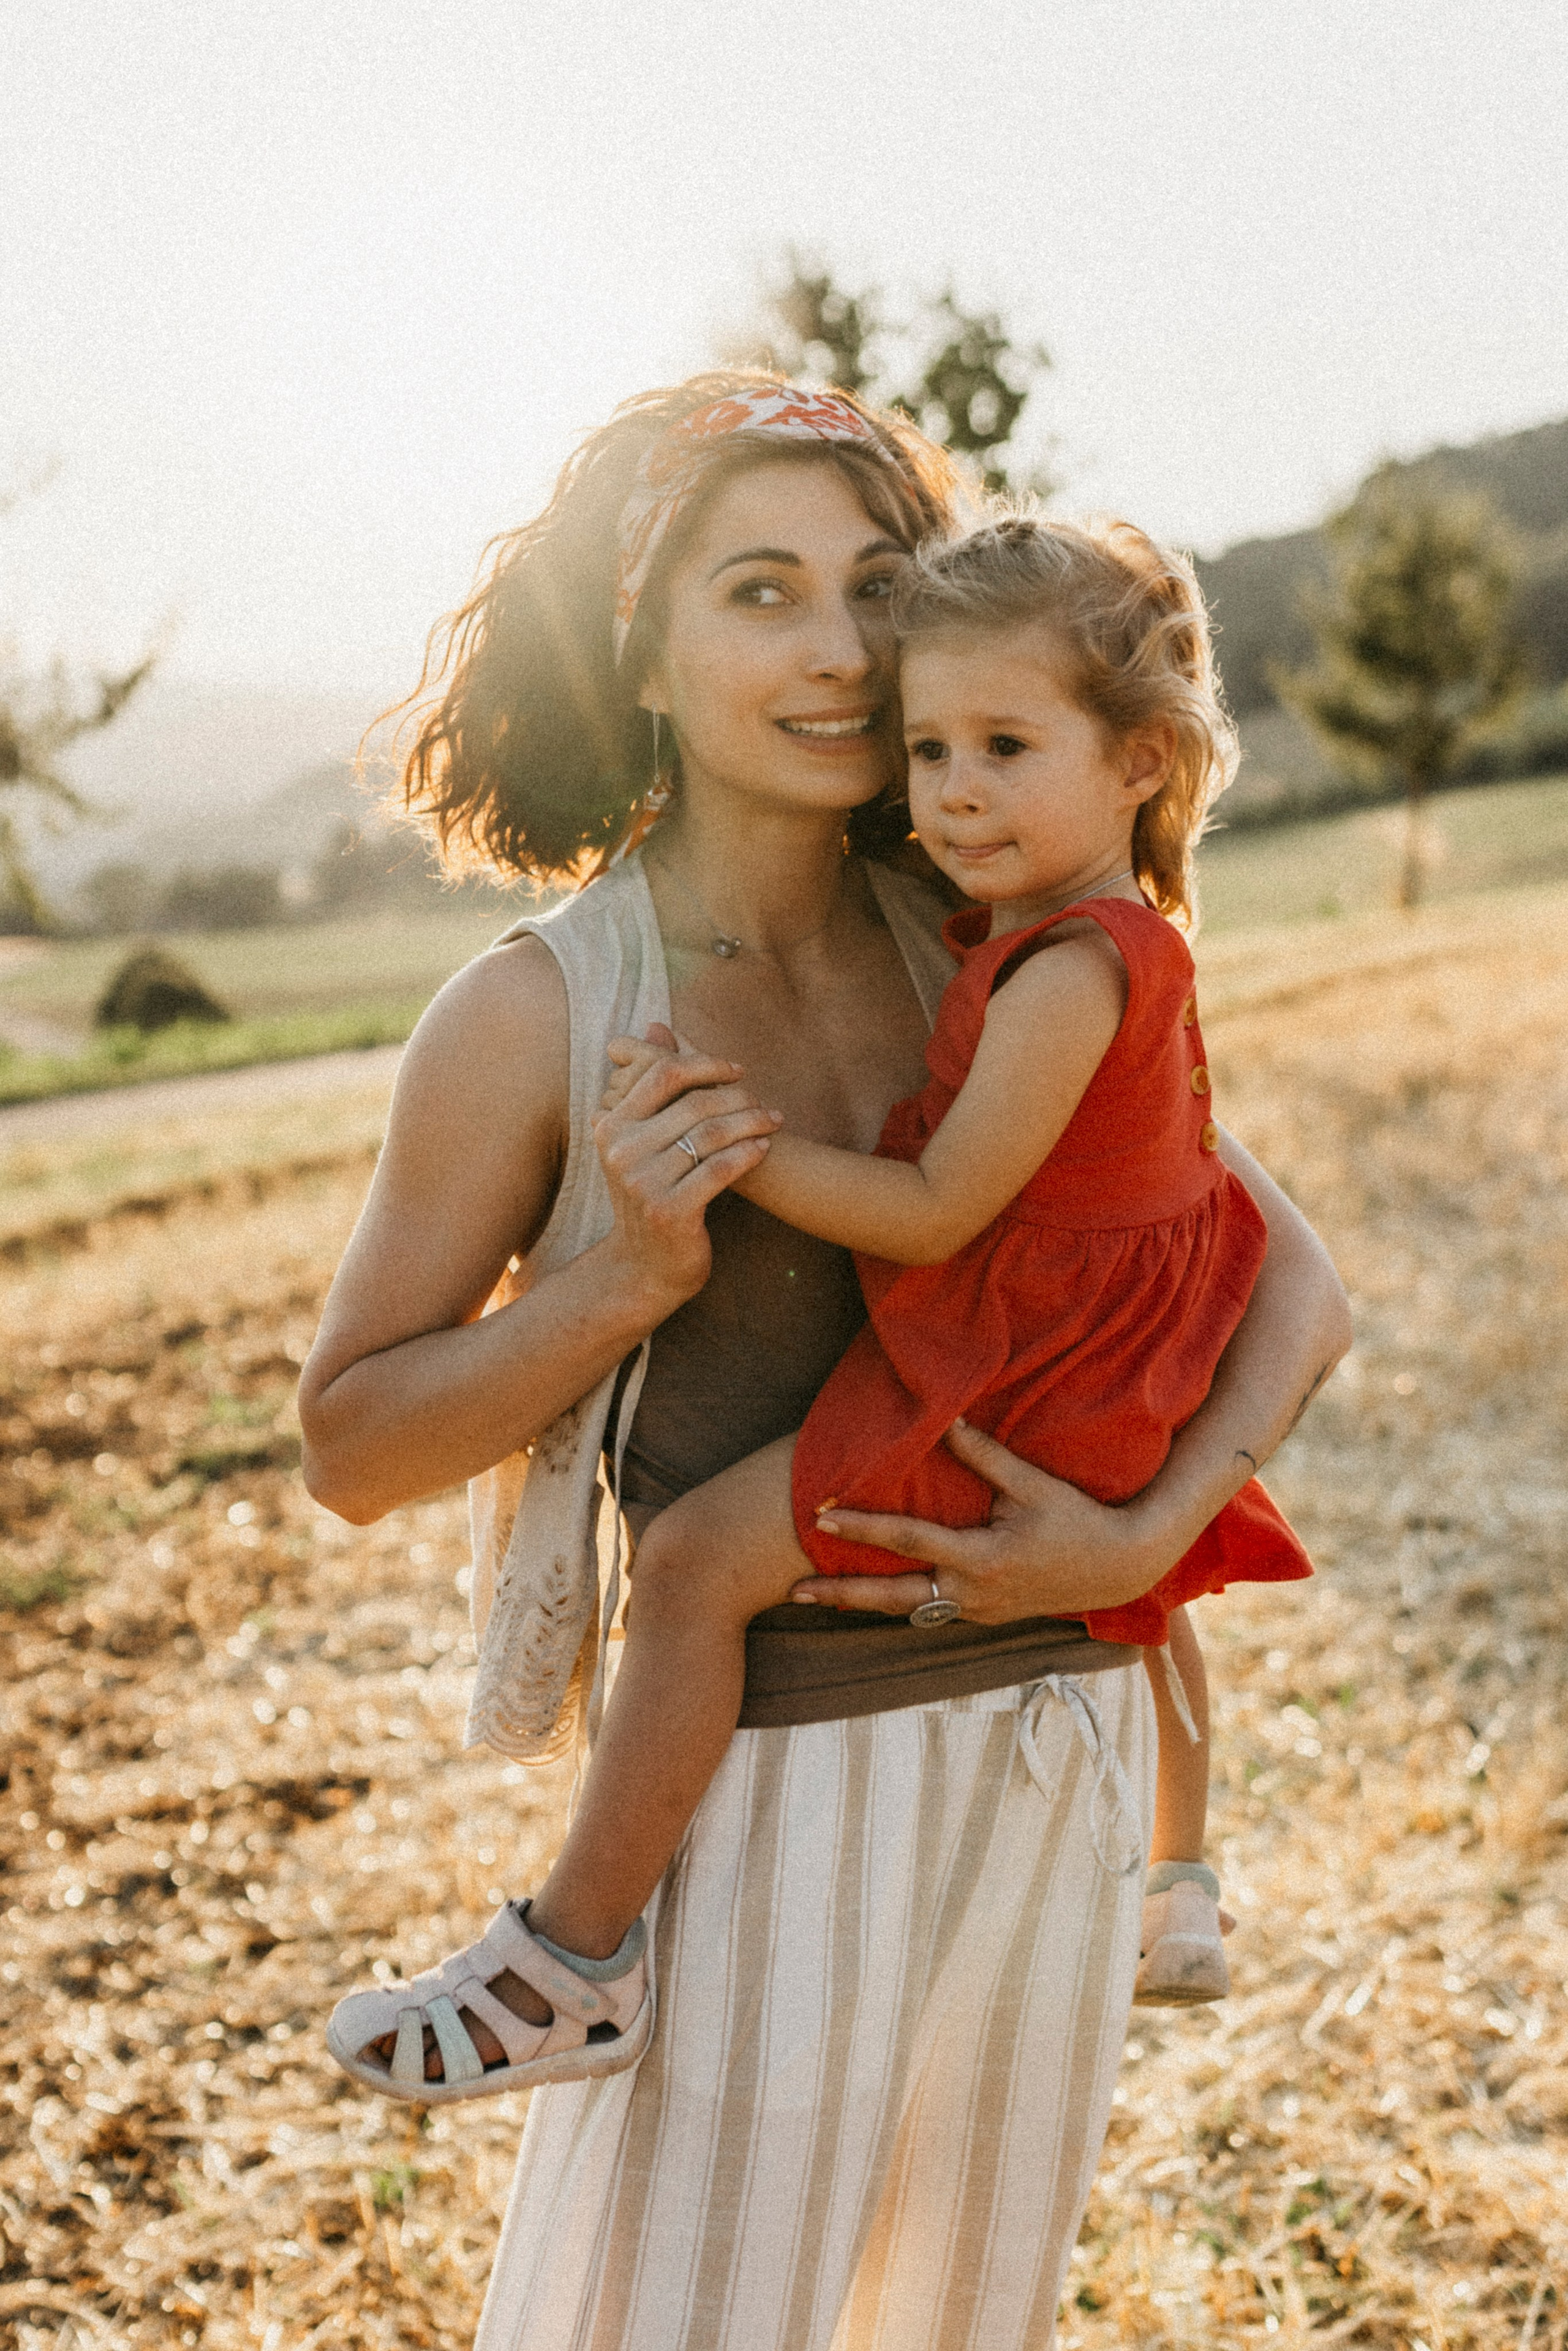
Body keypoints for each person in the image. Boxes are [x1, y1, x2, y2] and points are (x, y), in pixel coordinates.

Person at [300, 373, 1351, 2350]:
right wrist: (619, 1281)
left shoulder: (994, 934)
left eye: (878, 586)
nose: (841, 649)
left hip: (1054, 1747)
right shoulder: (533, 1013)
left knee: (959, 2316)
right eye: (761, 591)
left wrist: (1148, 1539)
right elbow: (350, 1449)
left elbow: (1294, 1284)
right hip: (764, 1788)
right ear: (645, 646)